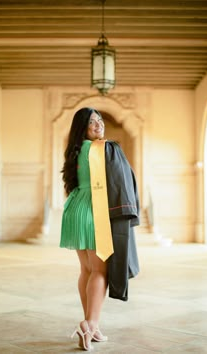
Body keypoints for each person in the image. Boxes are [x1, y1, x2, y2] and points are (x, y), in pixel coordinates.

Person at [60, 107, 140, 351]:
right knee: (100, 271)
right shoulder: (106, 148)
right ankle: (90, 324)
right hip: (95, 211)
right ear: (82, 127)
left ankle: (91, 326)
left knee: (86, 269)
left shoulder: (74, 151)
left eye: (100, 121)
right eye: (92, 122)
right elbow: (121, 183)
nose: (99, 125)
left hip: (74, 209)